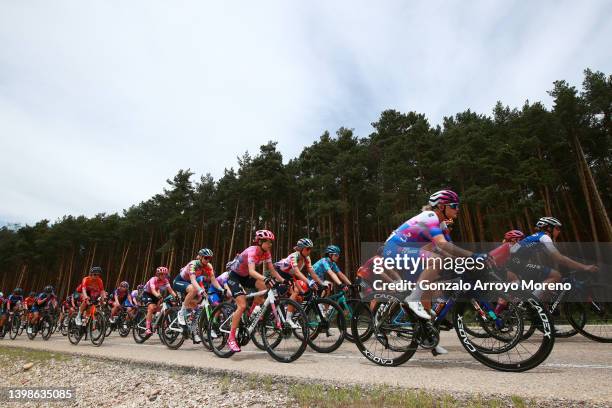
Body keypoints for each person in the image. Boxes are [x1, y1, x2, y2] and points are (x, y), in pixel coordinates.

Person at [383, 189, 483, 356]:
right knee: (436, 260)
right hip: (393, 249)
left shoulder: (441, 224)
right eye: (454, 206)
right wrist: (474, 256)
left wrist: (469, 262)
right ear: (442, 206)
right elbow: (442, 246)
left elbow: (451, 249)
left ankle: (429, 338)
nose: (458, 209)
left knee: (428, 292)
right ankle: (412, 298)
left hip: (409, 251)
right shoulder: (430, 217)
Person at [508, 217, 598, 299]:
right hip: (517, 263)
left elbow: (554, 257)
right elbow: (559, 258)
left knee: (547, 286)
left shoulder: (537, 238)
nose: (559, 231)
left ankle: (533, 306)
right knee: (556, 275)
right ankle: (532, 303)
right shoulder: (544, 237)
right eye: (557, 228)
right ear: (549, 228)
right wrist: (585, 267)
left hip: (514, 263)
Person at [225, 229, 284, 352]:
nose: (270, 245)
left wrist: (283, 280)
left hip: (246, 277)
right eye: (268, 242)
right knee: (241, 305)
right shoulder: (252, 251)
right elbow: (252, 271)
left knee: (263, 286)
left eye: (271, 242)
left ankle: (251, 314)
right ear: (260, 242)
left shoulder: (266, 252)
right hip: (234, 276)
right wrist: (266, 278)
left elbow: (272, 269)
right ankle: (231, 338)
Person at [173, 249, 225, 335]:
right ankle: (181, 312)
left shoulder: (208, 266)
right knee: (194, 289)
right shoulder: (193, 264)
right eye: (206, 258)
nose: (208, 260)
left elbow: (213, 280)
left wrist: (221, 289)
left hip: (190, 284)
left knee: (198, 305)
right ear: (200, 257)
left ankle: (193, 330)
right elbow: (193, 280)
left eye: (210, 258)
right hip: (180, 281)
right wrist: (200, 290)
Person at [142, 267, 177, 335]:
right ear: (158, 274)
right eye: (161, 274)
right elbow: (153, 290)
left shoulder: (166, 280)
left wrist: (176, 297)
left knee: (160, 308)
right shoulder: (153, 279)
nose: (164, 276)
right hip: (147, 293)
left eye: (165, 274)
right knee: (151, 308)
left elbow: (170, 290)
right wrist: (158, 296)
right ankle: (147, 328)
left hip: (156, 294)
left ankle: (157, 322)